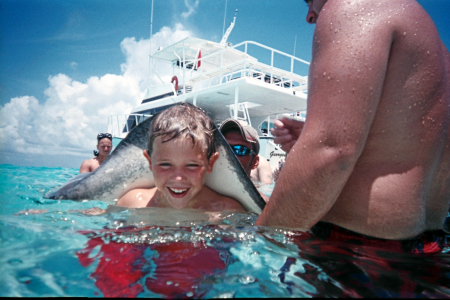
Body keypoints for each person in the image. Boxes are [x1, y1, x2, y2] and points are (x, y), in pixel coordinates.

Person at [256, 0, 450, 244]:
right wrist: (309, 137)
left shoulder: (355, 5)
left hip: (355, 252)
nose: (310, 16)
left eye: (309, 0)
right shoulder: (437, 48)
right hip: (428, 249)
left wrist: (259, 238)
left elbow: (331, 151)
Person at [117, 103, 245, 212]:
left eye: (192, 165)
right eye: (165, 164)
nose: (178, 178)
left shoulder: (226, 210)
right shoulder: (132, 204)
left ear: (210, 163)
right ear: (149, 161)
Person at [219, 119, 272, 202]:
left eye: (240, 150)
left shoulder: (264, 206)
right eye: (224, 147)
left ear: (255, 162)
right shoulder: (197, 192)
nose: (229, 154)